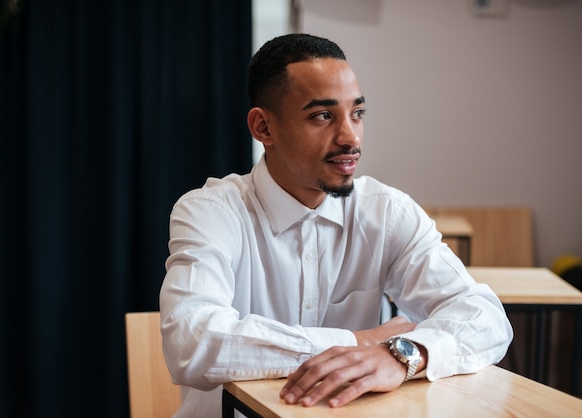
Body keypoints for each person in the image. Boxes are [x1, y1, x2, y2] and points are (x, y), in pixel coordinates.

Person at [160, 33, 512, 417]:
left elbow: (486, 317)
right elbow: (191, 341)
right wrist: (356, 342)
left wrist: (404, 354)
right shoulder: (211, 211)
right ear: (264, 128)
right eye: (323, 116)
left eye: (357, 113)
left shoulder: (387, 213)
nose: (350, 137)